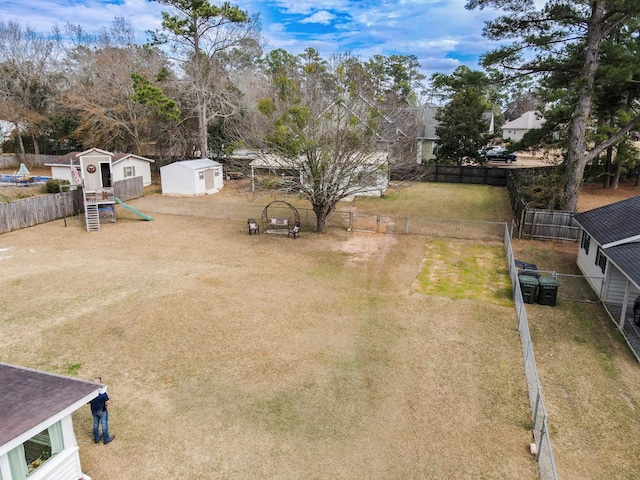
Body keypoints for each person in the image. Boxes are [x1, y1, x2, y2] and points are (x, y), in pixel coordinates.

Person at [89, 376, 116, 444]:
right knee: (104, 425)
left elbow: (87, 402)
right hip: (102, 410)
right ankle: (106, 439)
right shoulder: (103, 394)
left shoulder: (91, 394)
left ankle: (97, 439)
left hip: (94, 410)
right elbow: (108, 402)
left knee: (95, 424)